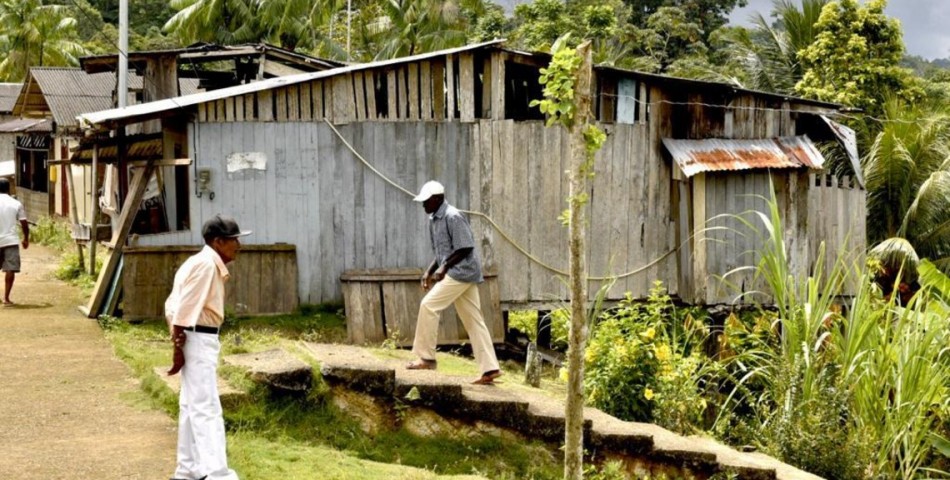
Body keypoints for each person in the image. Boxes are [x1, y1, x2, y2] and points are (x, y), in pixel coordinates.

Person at [165, 214, 250, 480]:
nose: (238, 244)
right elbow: (183, 309)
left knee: (191, 405)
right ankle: (218, 474)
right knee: (206, 408)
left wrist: (178, 341)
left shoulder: (198, 261)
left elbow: (172, 305)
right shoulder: (206, 266)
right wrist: (177, 346)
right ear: (218, 242)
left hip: (195, 337)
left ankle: (188, 470)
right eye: (234, 239)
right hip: (199, 338)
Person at [406, 180, 502, 385]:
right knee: (474, 320)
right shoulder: (435, 219)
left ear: (438, 199)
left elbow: (465, 247)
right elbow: (441, 253)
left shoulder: (453, 216)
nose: (423, 205)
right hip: (458, 272)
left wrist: (444, 268)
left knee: (429, 306)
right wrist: (429, 271)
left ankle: (427, 358)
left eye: (426, 201)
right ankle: (490, 369)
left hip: (461, 272)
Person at [0, 178, 28, 305]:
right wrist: (26, 238)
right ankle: (6, 298)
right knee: (10, 269)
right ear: (9, 188)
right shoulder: (16, 203)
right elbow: (24, 223)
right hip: (10, 240)